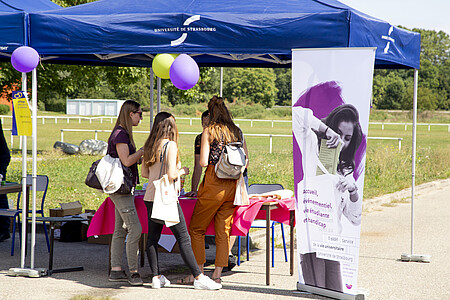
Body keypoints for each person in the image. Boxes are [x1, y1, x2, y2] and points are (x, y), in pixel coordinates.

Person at [141, 112, 221, 290]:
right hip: (166, 198)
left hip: (150, 196)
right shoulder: (170, 146)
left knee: (152, 239)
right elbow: (170, 175)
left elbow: (145, 174)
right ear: (171, 127)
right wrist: (182, 170)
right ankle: (199, 277)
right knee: (184, 238)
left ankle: (156, 276)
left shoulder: (149, 145)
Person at [293, 102, 363, 292]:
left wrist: (353, 190)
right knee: (316, 292)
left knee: (337, 292)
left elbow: (355, 218)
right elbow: (297, 113)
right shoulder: (311, 145)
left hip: (333, 242)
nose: (342, 141)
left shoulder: (346, 169)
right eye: (338, 133)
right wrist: (326, 131)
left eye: (347, 138)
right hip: (312, 240)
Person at [189, 96, 249, 283]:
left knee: (196, 229)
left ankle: (199, 272)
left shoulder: (209, 131)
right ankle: (217, 276)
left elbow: (203, 162)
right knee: (223, 232)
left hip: (214, 182)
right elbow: (246, 161)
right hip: (233, 184)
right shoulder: (237, 131)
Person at [106, 100, 145, 286]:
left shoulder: (122, 133)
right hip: (120, 189)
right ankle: (133, 272)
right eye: (139, 113)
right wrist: (142, 151)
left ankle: (116, 270)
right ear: (131, 114)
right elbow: (127, 161)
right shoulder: (121, 134)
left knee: (120, 230)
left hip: (122, 188)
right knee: (135, 229)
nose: (141, 117)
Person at [0, 119, 11, 242]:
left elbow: (4, 155)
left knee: (1, 195)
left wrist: (1, 172)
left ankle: (4, 229)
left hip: (1, 160)